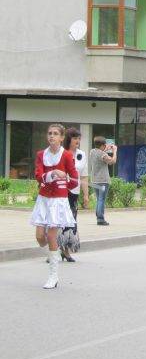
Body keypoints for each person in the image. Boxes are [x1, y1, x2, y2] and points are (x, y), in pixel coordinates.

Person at [31, 124, 78, 289]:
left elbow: (74, 181)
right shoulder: (40, 155)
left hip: (58, 201)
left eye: (55, 134)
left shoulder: (66, 156)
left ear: (61, 137)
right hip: (43, 199)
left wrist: (65, 177)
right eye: (49, 133)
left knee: (51, 236)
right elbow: (38, 176)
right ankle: (55, 250)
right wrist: (52, 173)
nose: (51, 136)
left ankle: (53, 276)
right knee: (39, 238)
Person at [58, 128, 85, 263]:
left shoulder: (81, 155)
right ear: (69, 139)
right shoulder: (61, 153)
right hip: (61, 191)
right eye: (75, 138)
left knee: (71, 221)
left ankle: (65, 250)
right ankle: (57, 250)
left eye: (79, 138)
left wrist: (86, 196)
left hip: (74, 192)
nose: (78, 141)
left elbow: (84, 176)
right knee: (58, 221)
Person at [88, 136, 116, 226]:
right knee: (101, 199)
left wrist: (105, 149)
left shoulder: (92, 152)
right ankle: (100, 218)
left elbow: (99, 154)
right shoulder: (103, 154)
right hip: (103, 180)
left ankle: (98, 217)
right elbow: (112, 161)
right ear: (103, 145)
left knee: (98, 199)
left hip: (94, 180)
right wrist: (115, 151)